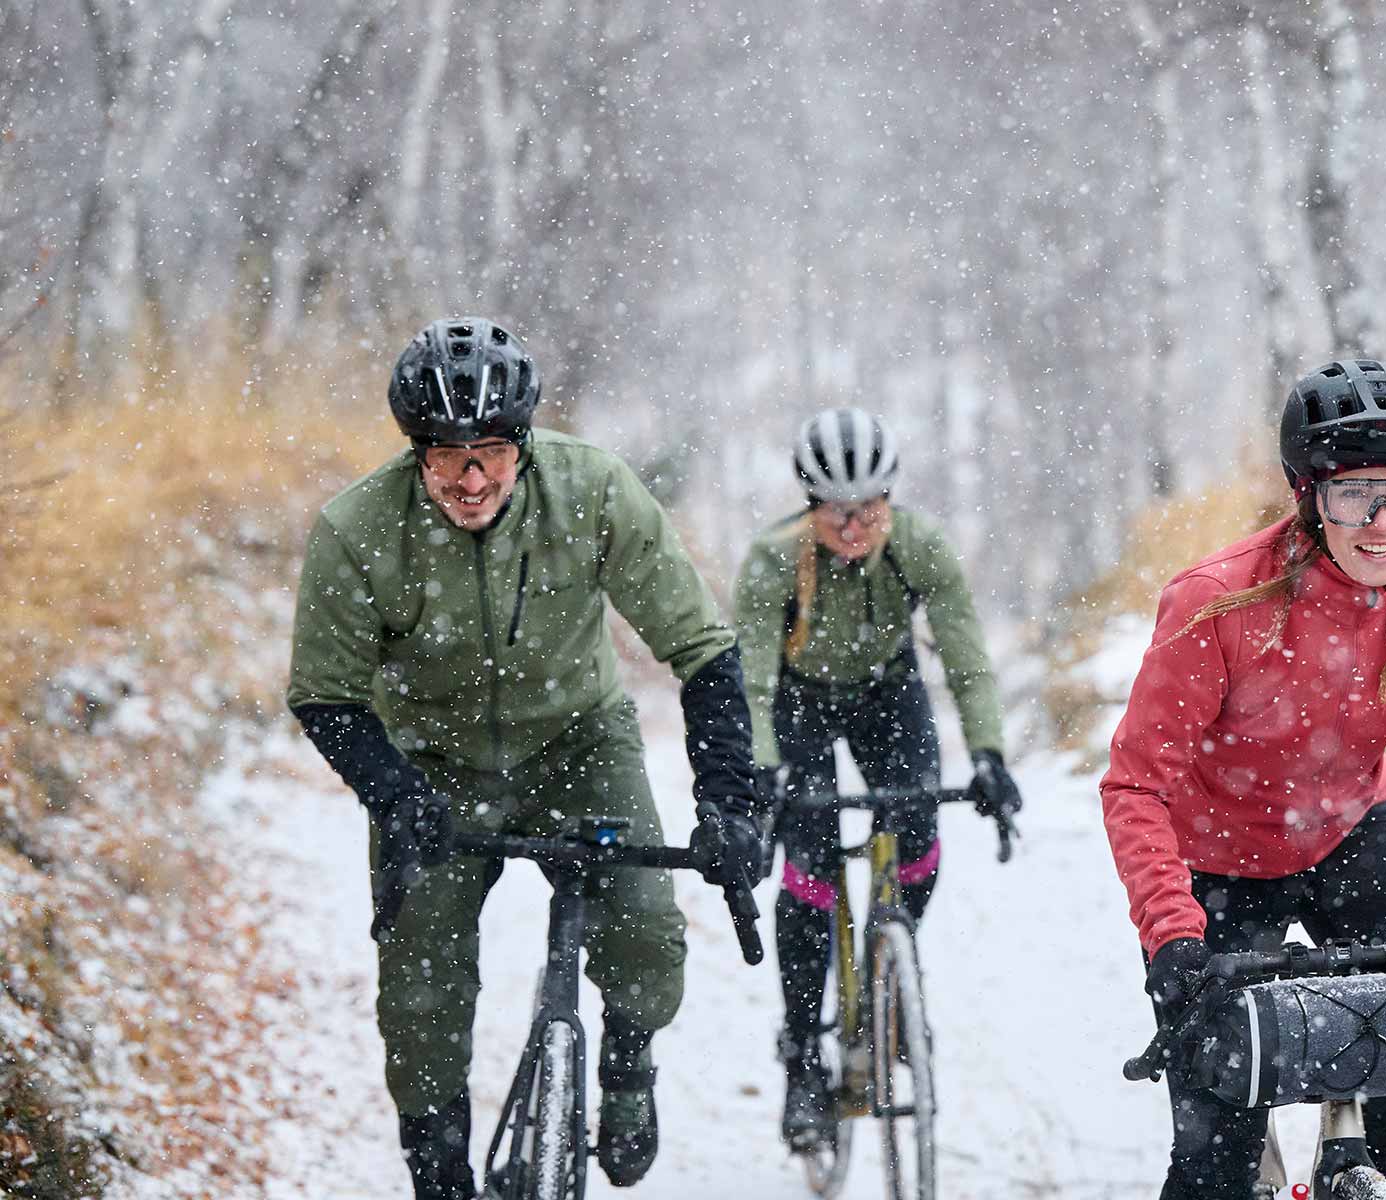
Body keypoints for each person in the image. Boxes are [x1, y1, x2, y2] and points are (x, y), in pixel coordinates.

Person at [286, 318, 763, 1199]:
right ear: (417, 452)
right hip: (433, 763)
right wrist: (395, 796)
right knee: (420, 994)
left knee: (646, 934)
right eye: (448, 457)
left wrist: (731, 800)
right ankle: (438, 1171)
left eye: (493, 454)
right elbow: (326, 696)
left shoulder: (593, 490)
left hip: (580, 743)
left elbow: (702, 648)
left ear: (525, 444)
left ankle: (627, 1063)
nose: (472, 481)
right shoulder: (357, 529)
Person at [1099, 359, 1386, 1198]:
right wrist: (1172, 934)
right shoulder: (1217, 604)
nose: (1383, 523)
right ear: (1309, 495)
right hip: (1216, 861)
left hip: (1353, 832)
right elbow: (1136, 787)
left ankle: (1349, 1172)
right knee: (1216, 1155)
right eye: (1355, 495)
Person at [732, 407, 1023, 1147]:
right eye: (836, 511)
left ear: (889, 497)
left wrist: (988, 754)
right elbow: (752, 682)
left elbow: (965, 657)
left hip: (887, 692)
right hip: (799, 700)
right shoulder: (772, 561)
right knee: (808, 867)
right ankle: (803, 1054)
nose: (854, 526)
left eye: (868, 509)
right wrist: (761, 768)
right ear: (810, 505)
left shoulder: (921, 546)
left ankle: (890, 973)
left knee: (919, 827)